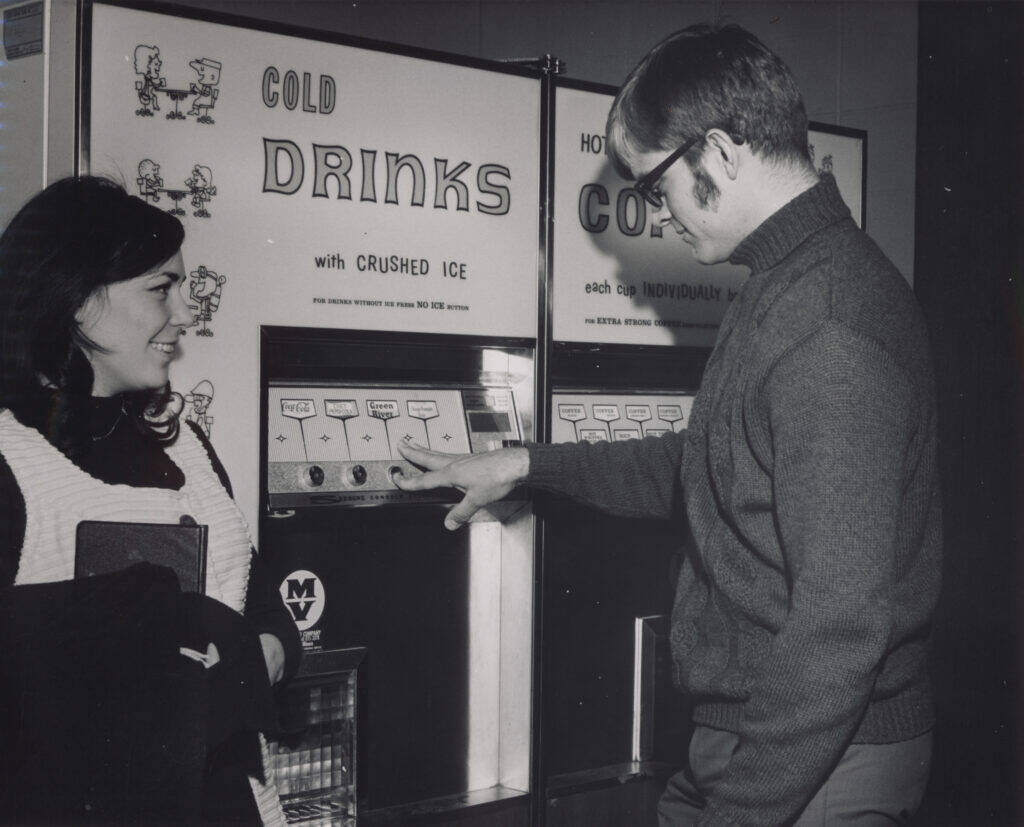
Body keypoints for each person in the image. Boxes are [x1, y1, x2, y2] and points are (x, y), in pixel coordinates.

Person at [395, 23, 941, 827]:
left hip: (818, 760)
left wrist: (739, 810)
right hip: (779, 744)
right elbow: (710, 470)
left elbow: (841, 624)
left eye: (656, 187)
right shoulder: (785, 284)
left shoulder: (828, 326)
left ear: (718, 154)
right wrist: (522, 465)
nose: (656, 217)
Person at [0, 176, 301, 824]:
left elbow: (263, 602)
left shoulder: (185, 441)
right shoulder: (11, 459)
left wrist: (257, 655)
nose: (186, 314)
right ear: (77, 298)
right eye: (161, 288)